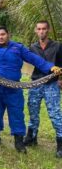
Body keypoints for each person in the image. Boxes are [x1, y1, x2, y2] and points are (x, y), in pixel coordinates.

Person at [0, 26, 62, 153]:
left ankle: (18, 141)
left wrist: (50, 67)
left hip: (14, 88)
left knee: (17, 113)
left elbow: (35, 59)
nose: (1, 37)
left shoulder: (18, 48)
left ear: (8, 34)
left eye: (3, 34)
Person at [23, 20, 62, 158]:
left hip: (51, 84)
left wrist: (60, 80)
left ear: (48, 30)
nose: (41, 31)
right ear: (35, 30)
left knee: (55, 114)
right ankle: (31, 137)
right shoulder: (32, 47)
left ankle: (60, 144)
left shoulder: (57, 46)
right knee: (33, 111)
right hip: (36, 83)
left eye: (44, 29)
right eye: (39, 29)